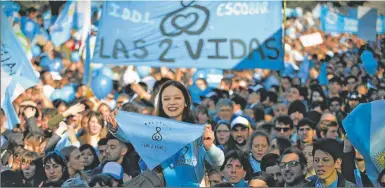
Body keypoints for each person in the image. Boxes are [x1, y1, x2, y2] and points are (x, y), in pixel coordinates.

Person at [109, 80, 224, 187]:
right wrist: (115, 127)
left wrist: (210, 147)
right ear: (162, 104)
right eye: (167, 99)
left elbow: (218, 161)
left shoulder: (197, 132)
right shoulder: (154, 129)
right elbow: (132, 136)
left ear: (185, 103)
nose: (172, 102)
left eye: (177, 98)